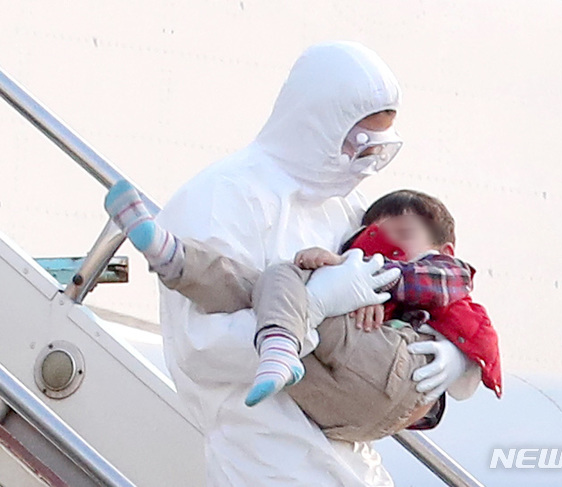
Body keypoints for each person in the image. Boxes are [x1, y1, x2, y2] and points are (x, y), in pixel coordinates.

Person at [111, 42, 476, 486]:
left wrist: (455, 354)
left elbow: (400, 305)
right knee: (248, 284)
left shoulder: (347, 206)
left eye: (378, 150)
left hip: (351, 457)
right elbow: (198, 351)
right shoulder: (222, 195)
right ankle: (173, 258)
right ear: (317, 122)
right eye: (359, 144)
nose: (366, 165)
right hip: (265, 459)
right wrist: (314, 307)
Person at [106, 185, 498, 443]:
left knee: (286, 276)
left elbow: (422, 282)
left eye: (400, 236)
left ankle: (178, 260)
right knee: (267, 293)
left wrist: (341, 268)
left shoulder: (447, 272)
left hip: (393, 365)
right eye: (373, 238)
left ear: (443, 250)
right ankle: (178, 263)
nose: (383, 248)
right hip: (351, 419)